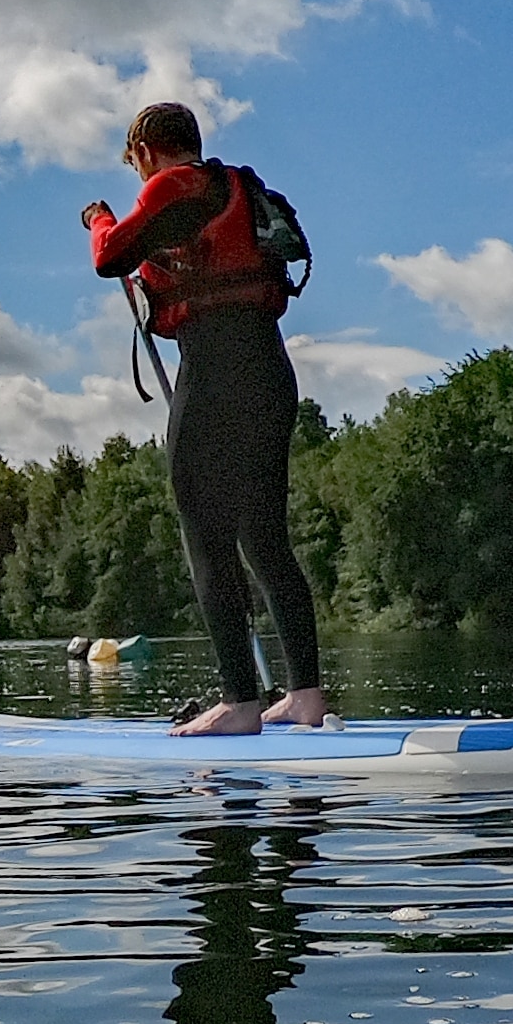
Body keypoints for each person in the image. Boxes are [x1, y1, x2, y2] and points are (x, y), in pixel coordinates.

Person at [81, 102, 328, 735]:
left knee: (205, 532)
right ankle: (304, 697)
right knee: (263, 538)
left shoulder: (175, 184)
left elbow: (110, 255)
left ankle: (239, 703)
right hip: (269, 371)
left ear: (144, 151)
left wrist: (98, 217)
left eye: (135, 161)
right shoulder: (236, 190)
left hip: (216, 370)